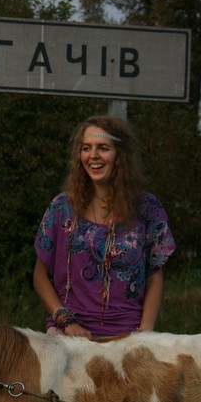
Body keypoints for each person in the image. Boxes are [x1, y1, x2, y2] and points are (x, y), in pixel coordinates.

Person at [33, 115, 176, 339]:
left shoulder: (147, 208)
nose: (93, 155)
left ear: (120, 154)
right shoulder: (61, 208)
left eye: (103, 148)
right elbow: (40, 277)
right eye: (86, 148)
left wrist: (144, 336)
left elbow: (154, 276)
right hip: (69, 336)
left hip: (128, 339)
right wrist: (66, 321)